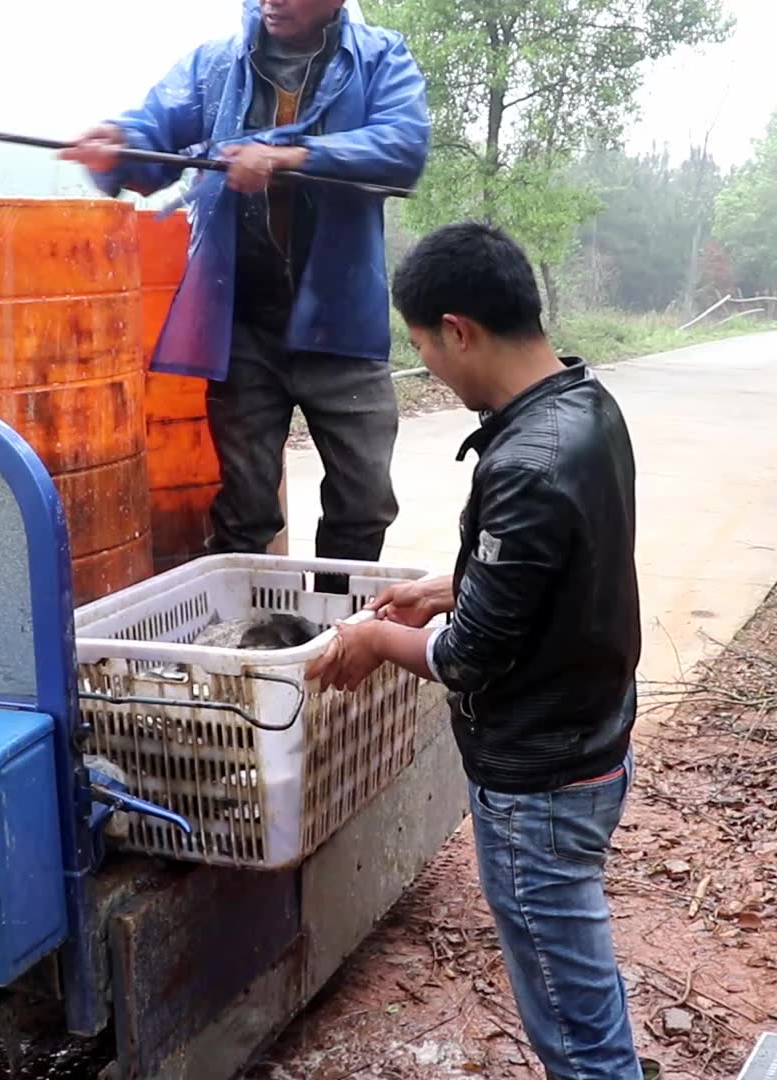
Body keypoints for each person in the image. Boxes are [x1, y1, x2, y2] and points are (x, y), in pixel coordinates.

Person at [307, 222, 647, 1080]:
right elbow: (561, 573)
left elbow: (467, 659)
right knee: (575, 959)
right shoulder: (585, 405)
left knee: (571, 1022)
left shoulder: (527, 460)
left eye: (424, 346)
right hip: (594, 735)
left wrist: (378, 637)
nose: (429, 366)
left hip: (540, 779)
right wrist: (447, 587)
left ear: (459, 329)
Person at [62, 0, 429, 583]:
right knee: (246, 506)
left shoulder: (381, 58)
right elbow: (155, 130)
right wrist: (119, 141)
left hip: (342, 324)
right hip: (244, 324)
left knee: (364, 501)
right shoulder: (215, 65)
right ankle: (251, 637)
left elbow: (403, 148)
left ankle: (337, 627)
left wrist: (292, 156)